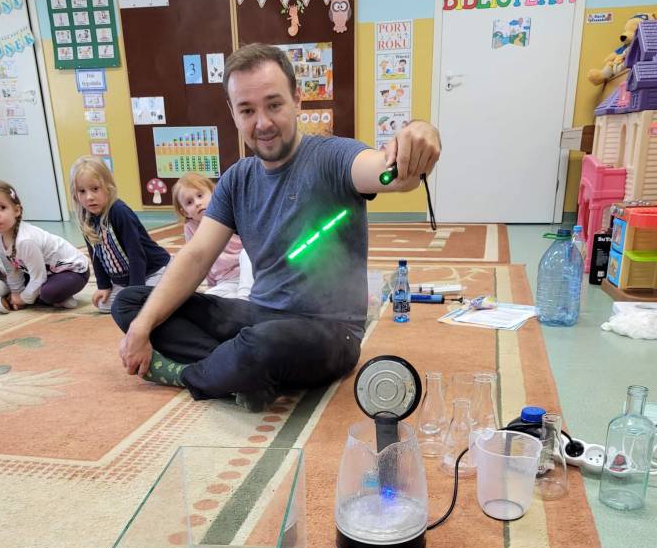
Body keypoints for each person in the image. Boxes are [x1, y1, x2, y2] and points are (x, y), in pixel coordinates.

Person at [113, 42, 440, 409]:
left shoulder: (332, 156)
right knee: (131, 304)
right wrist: (142, 327)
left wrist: (419, 135)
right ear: (233, 113)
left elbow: (387, 173)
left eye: (274, 105)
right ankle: (243, 373)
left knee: (260, 346)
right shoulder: (237, 180)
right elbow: (197, 255)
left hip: (330, 332)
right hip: (259, 316)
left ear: (297, 100)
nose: (263, 123)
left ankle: (194, 373)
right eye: (247, 110)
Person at [69, 156, 170, 313]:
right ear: (75, 195)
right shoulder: (85, 217)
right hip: (125, 280)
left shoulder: (119, 211)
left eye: (95, 189)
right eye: (82, 191)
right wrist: (104, 286)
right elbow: (95, 255)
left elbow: (136, 255)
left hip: (153, 270)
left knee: (145, 305)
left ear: (108, 187)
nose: (89, 197)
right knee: (104, 305)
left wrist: (135, 292)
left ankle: (173, 286)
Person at [0, 179, 89, 310]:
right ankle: (51, 298)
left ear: (16, 210)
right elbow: (11, 269)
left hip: (72, 271)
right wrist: (16, 293)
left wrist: (23, 299)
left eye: (2, 207)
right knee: (13, 282)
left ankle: (56, 297)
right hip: (44, 271)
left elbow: (38, 277)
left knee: (49, 293)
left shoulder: (25, 241)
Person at [170, 172, 254, 299]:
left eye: (200, 195)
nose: (197, 203)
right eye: (189, 202)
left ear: (214, 193)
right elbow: (198, 259)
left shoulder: (228, 211)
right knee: (209, 298)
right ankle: (239, 299)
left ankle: (244, 298)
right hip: (225, 280)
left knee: (246, 253)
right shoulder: (190, 228)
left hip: (248, 272)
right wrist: (211, 285)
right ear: (185, 212)